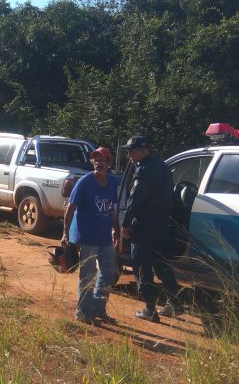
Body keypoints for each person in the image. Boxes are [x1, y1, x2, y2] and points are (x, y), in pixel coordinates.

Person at [120, 135, 180, 322]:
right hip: (162, 224)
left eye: (131, 150)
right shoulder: (162, 166)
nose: (129, 155)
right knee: (162, 264)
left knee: (140, 265)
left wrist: (125, 223)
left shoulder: (143, 170)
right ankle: (175, 303)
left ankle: (149, 308)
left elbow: (136, 199)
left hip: (145, 225)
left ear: (142, 150)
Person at [60, 146, 120, 324]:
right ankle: (82, 312)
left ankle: (98, 308)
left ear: (109, 163)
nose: (99, 163)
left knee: (109, 271)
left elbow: (112, 209)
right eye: (96, 159)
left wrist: (115, 229)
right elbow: (70, 208)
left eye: (102, 160)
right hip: (86, 235)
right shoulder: (85, 182)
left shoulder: (113, 182)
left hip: (104, 236)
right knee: (88, 274)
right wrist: (65, 233)